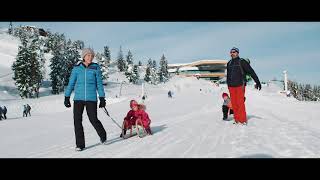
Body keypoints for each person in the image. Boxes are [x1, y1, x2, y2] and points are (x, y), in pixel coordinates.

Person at [64, 48, 107, 151]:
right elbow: (71, 83)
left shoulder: (95, 68)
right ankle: (80, 144)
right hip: (78, 98)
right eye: (88, 55)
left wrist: (102, 98)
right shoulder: (77, 68)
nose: (90, 57)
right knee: (77, 121)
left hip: (91, 98)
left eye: (92, 56)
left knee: (93, 119)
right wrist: (67, 97)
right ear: (83, 56)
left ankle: (103, 134)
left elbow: (99, 84)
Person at [227, 47, 261, 125]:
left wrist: (257, 81)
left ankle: (242, 120)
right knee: (234, 104)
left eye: (234, 52)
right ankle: (236, 119)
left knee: (240, 103)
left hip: (240, 85)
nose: (232, 53)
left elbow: (251, 72)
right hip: (231, 86)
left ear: (238, 53)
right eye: (231, 52)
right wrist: (228, 84)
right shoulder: (229, 63)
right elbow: (228, 75)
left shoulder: (242, 61)